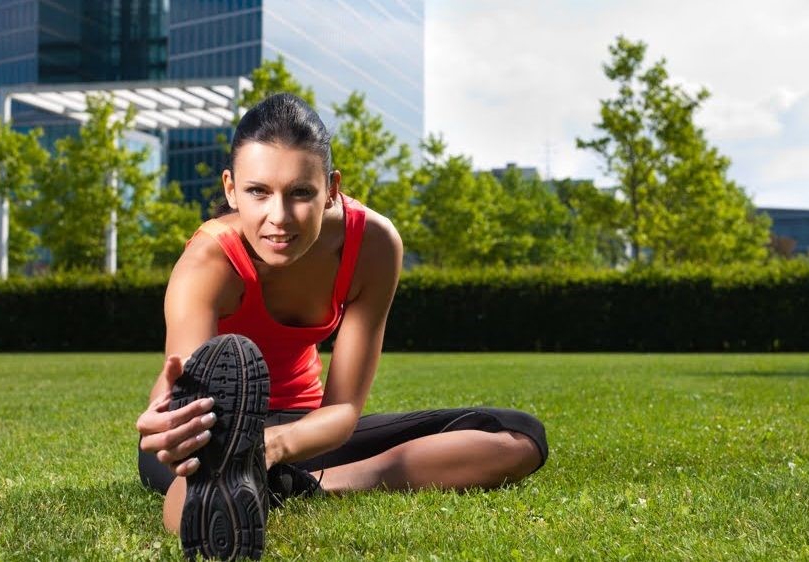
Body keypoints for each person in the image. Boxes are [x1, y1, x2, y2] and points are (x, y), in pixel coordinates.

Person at [135, 93, 548, 559]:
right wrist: (165, 421)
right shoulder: (208, 260)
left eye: (300, 193)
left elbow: (344, 408)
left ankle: (306, 487)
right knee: (204, 468)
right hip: (212, 432)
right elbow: (183, 384)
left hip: (303, 433)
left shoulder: (372, 243)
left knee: (517, 435)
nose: (279, 217)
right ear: (230, 189)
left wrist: (270, 447)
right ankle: (228, 483)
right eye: (258, 192)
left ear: (331, 187)